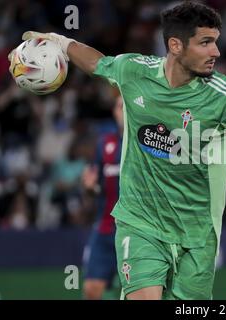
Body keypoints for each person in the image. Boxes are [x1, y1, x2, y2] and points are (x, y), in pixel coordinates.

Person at [10, 1, 226, 300]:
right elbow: (97, 63)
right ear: (175, 45)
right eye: (205, 42)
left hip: (197, 234)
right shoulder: (136, 72)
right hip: (140, 222)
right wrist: (63, 42)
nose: (216, 52)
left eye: (215, 42)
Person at [81, 96, 123, 299]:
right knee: (92, 290)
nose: (122, 109)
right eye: (118, 106)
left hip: (140, 229)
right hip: (106, 228)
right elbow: (96, 187)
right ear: (114, 113)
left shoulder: (147, 142)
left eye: (126, 104)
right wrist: (90, 188)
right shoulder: (105, 144)